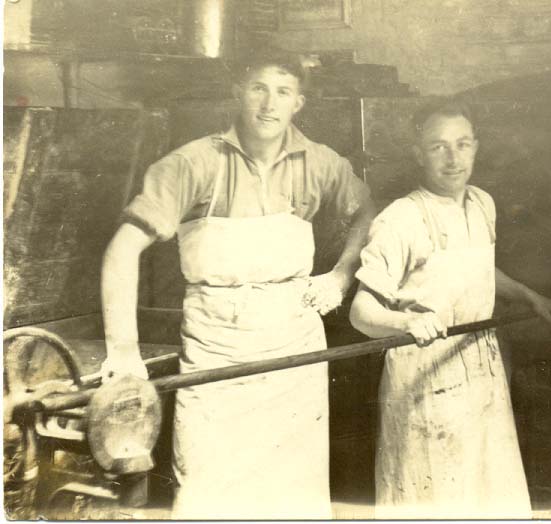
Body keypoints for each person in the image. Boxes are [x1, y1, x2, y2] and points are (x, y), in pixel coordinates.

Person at [99, 46, 375, 519]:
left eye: (283, 91)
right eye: (258, 88)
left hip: (294, 352)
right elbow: (122, 249)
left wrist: (341, 275)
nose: (269, 103)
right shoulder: (192, 164)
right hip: (218, 351)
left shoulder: (320, 162)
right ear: (237, 94)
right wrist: (122, 350)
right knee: (212, 490)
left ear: (298, 103)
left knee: (293, 493)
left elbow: (367, 209)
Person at [348, 99, 551, 518]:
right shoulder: (402, 219)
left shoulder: (482, 203)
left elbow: (478, 269)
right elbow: (361, 312)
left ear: (476, 147)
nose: (453, 159)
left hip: (482, 369)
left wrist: (529, 296)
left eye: (462, 144)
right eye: (438, 147)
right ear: (418, 154)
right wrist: (407, 321)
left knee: (488, 490)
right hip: (426, 375)